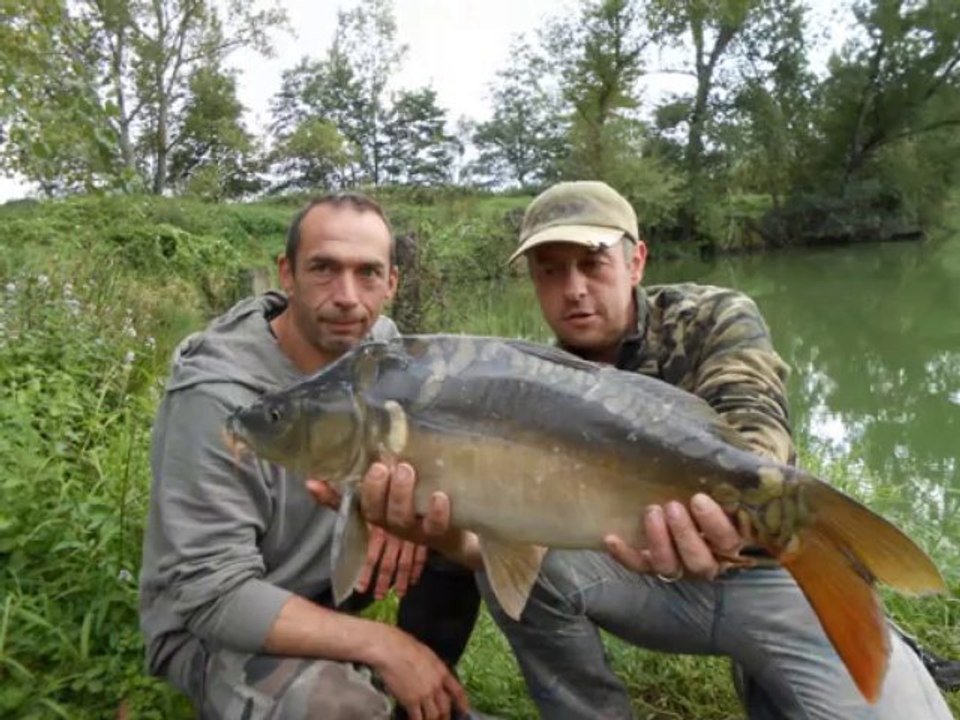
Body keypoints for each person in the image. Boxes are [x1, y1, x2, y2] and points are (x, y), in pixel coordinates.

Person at [321, 181, 953, 719]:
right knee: (515, 557)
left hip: (764, 571)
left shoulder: (713, 316)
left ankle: (794, 654)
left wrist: (725, 516)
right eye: (551, 270)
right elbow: (495, 533)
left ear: (637, 260)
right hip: (639, 571)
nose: (573, 289)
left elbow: (756, 429)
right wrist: (429, 526)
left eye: (592, 263)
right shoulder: (529, 380)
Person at [138, 192, 485, 720]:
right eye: (324, 269)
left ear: (391, 282)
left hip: (327, 586)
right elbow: (212, 595)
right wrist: (385, 644)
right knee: (337, 706)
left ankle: (424, 695)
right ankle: (378, 673)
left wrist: (399, 504)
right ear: (288, 273)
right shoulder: (217, 396)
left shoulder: (380, 348)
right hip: (213, 624)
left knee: (459, 533)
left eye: (368, 273)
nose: (347, 297)